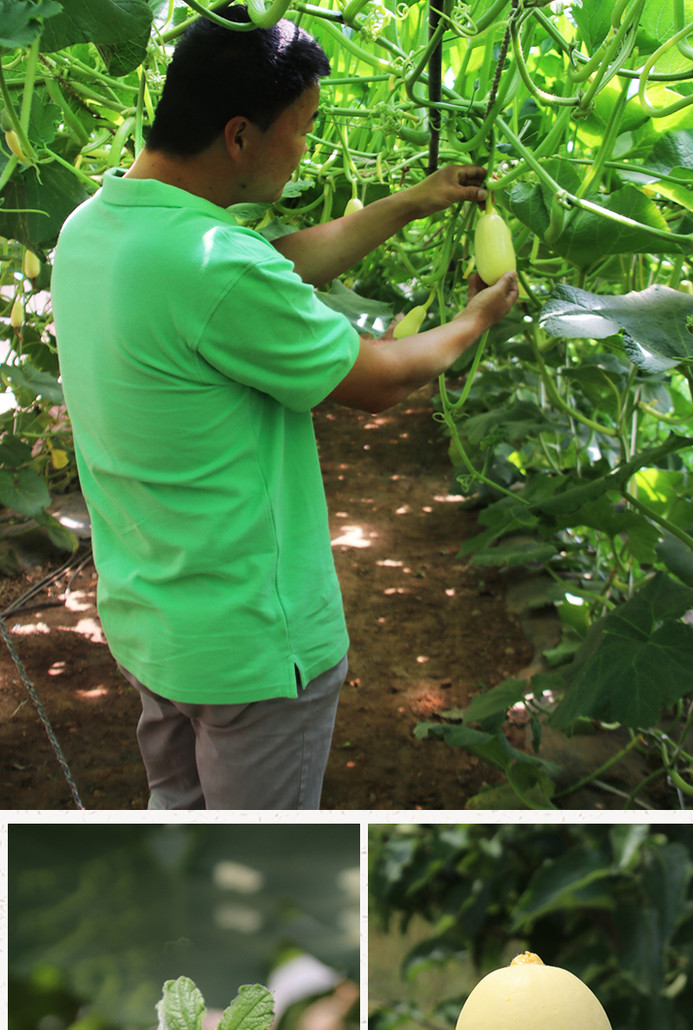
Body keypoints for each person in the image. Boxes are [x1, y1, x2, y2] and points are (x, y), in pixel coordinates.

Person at [50, 3, 518, 810]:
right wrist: (476, 318)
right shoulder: (215, 270)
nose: (305, 148)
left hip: (159, 630)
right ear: (239, 136)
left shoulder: (96, 227)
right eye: (302, 127)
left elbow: (271, 264)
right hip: (255, 653)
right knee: (262, 884)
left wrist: (410, 201)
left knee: (183, 836)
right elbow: (379, 382)